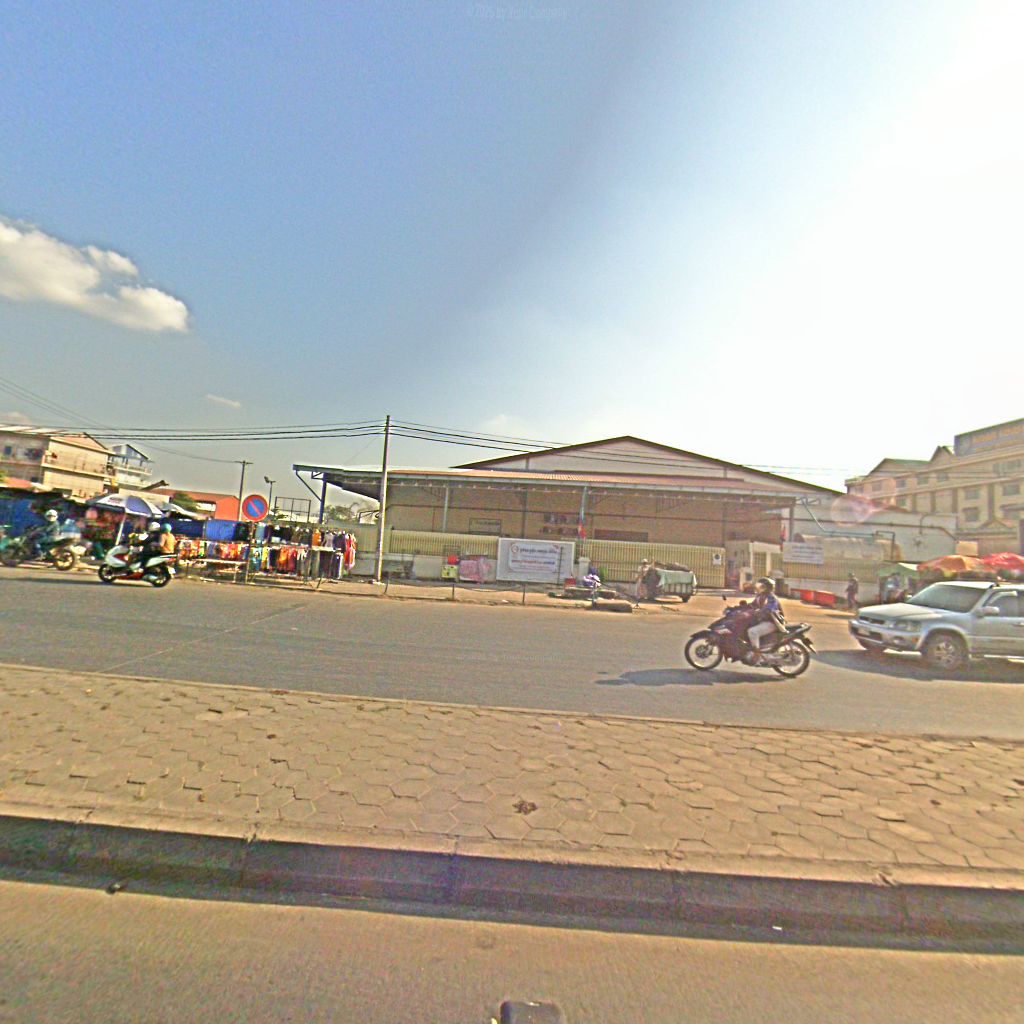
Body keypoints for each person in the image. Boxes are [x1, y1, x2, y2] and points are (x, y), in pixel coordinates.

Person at [746, 577, 785, 660]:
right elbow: (752, 605)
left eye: (761, 586)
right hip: (763, 621)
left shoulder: (771, 598)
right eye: (759, 586)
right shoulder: (760, 596)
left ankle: (757, 654)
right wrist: (739, 609)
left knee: (752, 632)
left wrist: (758, 612)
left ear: (767, 588)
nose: (759, 588)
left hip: (772, 622)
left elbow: (769, 608)